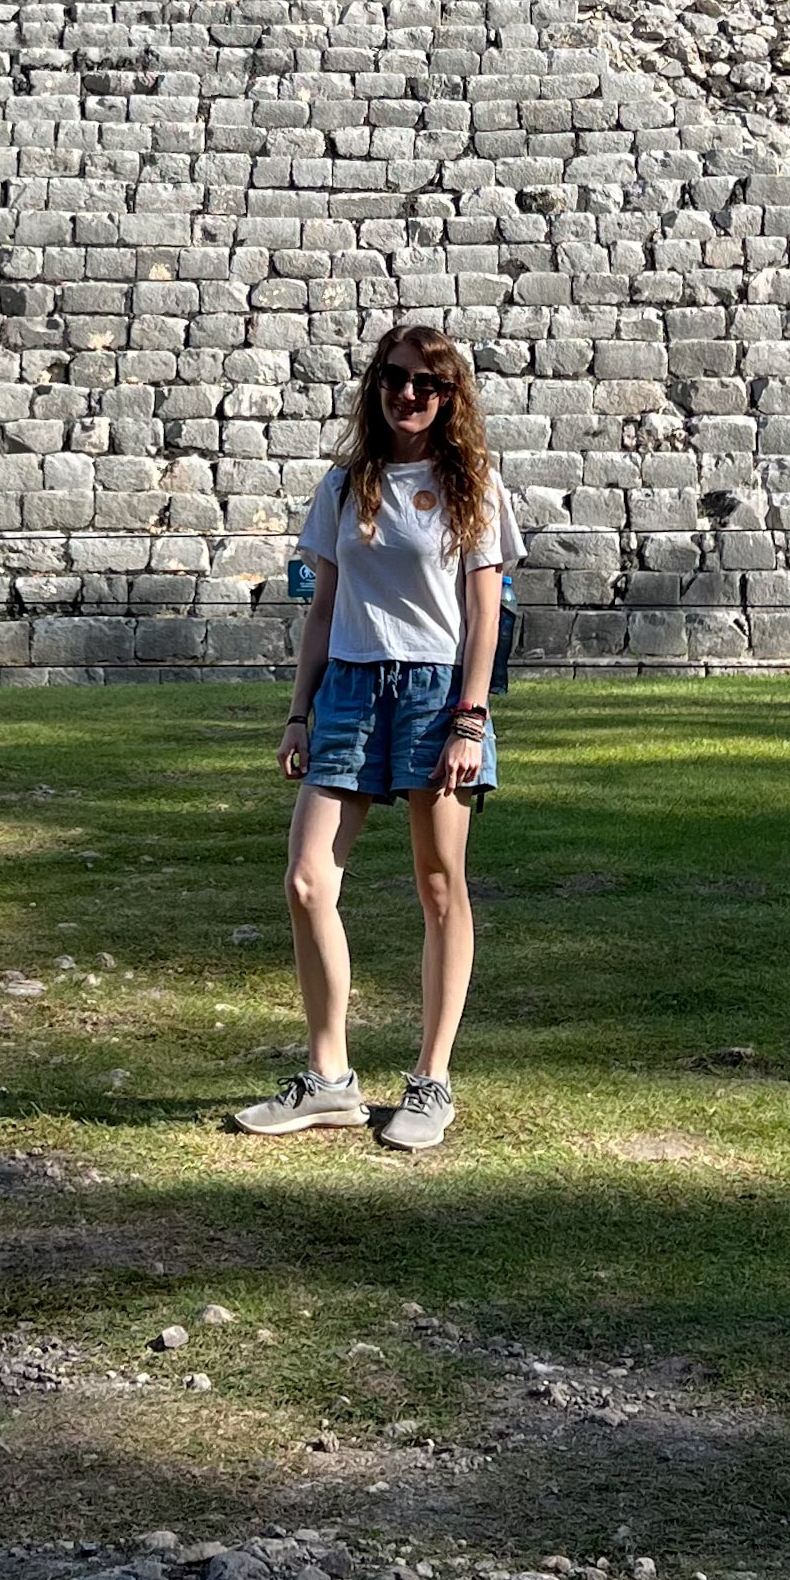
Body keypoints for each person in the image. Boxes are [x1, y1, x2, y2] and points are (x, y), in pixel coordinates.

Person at [232, 323, 525, 1155]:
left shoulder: (475, 484)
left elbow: (483, 617)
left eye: (427, 385)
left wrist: (470, 719)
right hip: (351, 691)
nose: (408, 395)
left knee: (439, 889)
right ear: (375, 384)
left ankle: (430, 1081)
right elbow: (321, 611)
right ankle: (329, 1079)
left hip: (436, 693)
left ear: (450, 396)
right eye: (395, 379)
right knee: (305, 881)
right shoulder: (344, 483)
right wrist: (299, 711)